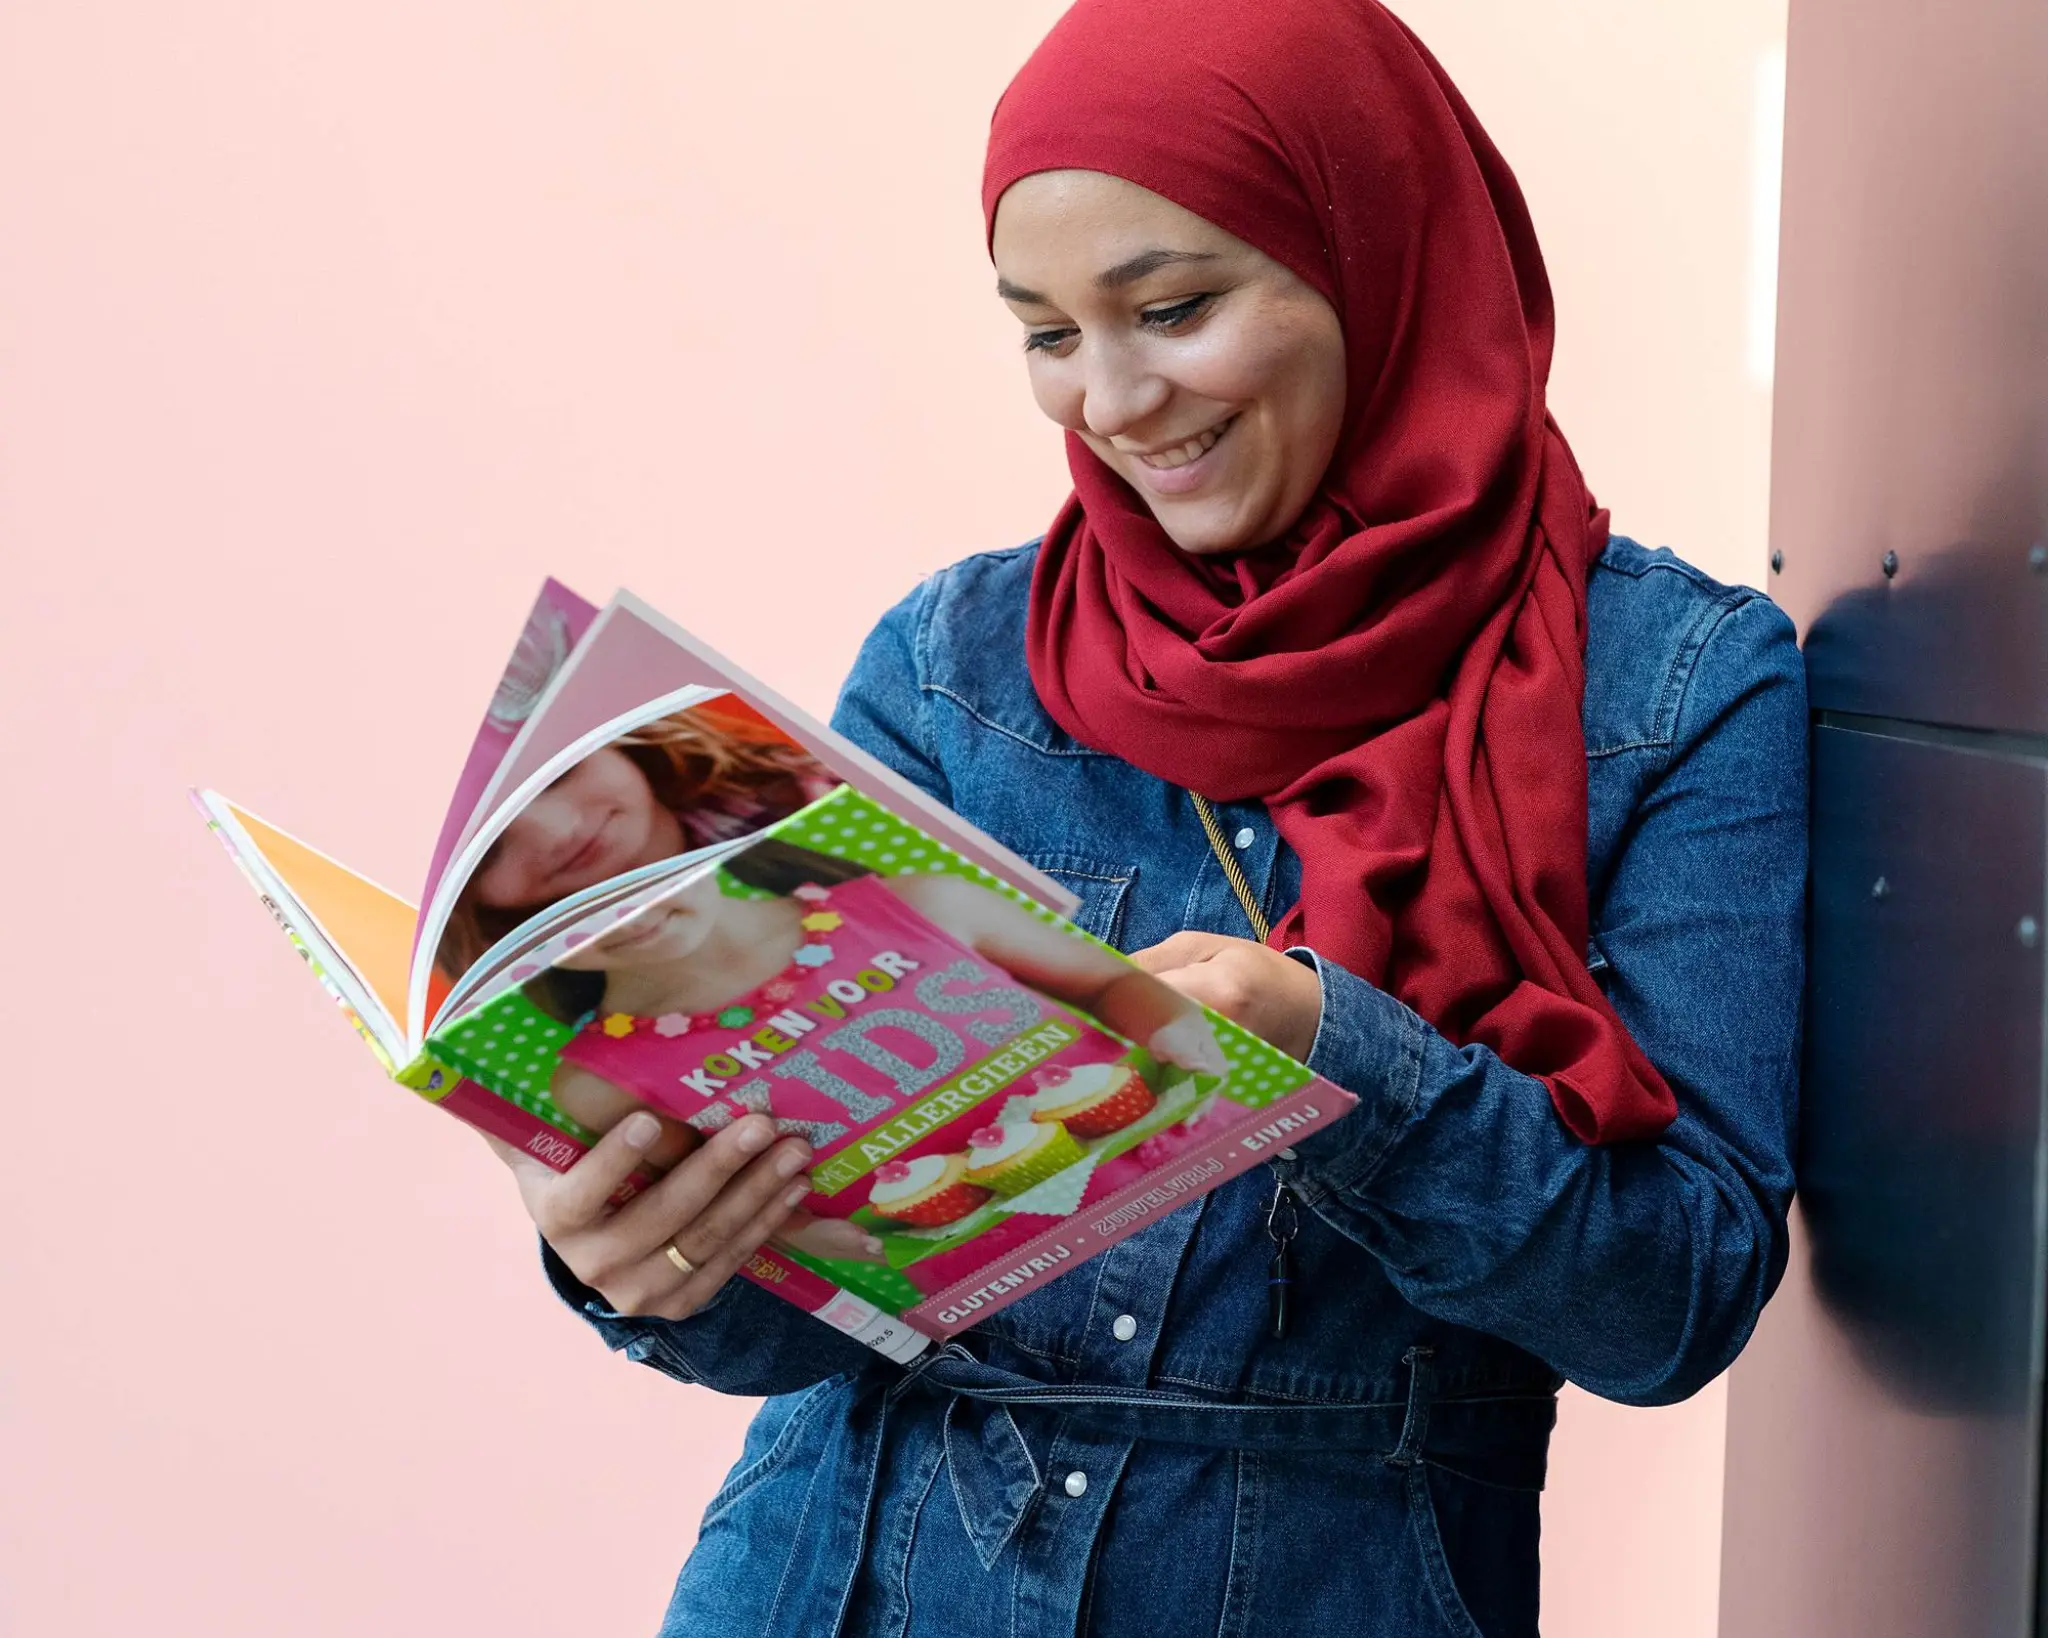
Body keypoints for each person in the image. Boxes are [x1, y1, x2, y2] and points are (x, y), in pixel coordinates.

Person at [488, 2, 1807, 1632]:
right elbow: (811, 1317)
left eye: (1169, 308)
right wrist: (651, 1260)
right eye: (1045, 332)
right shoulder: (953, 663)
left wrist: (1334, 1053)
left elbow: (1672, 1301)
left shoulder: (1679, 686)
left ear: (1371, 252)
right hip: (832, 1578)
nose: (1105, 400)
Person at [524, 839, 1227, 1272]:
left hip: (1199, 1166)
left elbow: (1106, 982)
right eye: (558, 910)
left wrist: (1172, 1025)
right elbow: (731, 1212)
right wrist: (809, 1239)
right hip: (979, 1286)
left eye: (635, 874)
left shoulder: (920, 899)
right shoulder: (598, 1084)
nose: (625, 912)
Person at [436, 701, 837, 981]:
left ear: (613, 738)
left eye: (555, 776)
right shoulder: (523, 982)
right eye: (487, 852)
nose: (559, 830)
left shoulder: (807, 789)